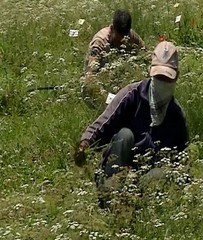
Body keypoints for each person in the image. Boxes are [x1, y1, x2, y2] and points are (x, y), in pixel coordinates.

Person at [75, 41, 188, 192]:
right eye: (159, 77)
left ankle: (137, 199)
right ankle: (110, 192)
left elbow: (182, 157)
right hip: (119, 164)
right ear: (150, 72)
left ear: (176, 78)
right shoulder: (131, 95)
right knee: (125, 135)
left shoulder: (176, 114)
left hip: (147, 175)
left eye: (167, 79)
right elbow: (104, 122)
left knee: (160, 174)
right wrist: (84, 144)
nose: (162, 83)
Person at [81, 9, 146, 108]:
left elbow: (146, 55)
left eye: (124, 40)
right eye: (118, 40)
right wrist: (110, 98)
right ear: (112, 28)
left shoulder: (131, 36)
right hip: (99, 89)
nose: (121, 43)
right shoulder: (100, 42)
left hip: (119, 85)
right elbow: (90, 77)